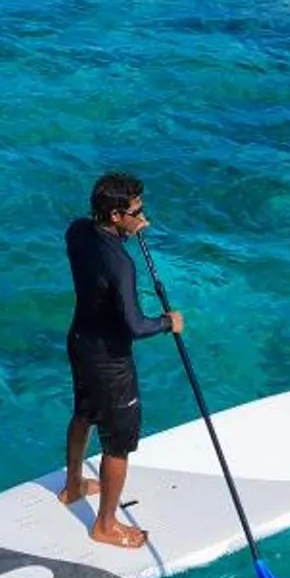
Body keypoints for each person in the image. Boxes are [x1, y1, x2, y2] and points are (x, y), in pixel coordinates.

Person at [61, 171, 183, 550]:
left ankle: (73, 486)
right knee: (118, 446)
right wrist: (167, 323)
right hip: (110, 361)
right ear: (115, 215)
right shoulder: (121, 264)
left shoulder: (77, 231)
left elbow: (96, 268)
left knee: (83, 414)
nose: (142, 218)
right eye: (136, 212)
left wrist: (129, 233)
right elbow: (133, 325)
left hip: (80, 341)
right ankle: (106, 526)